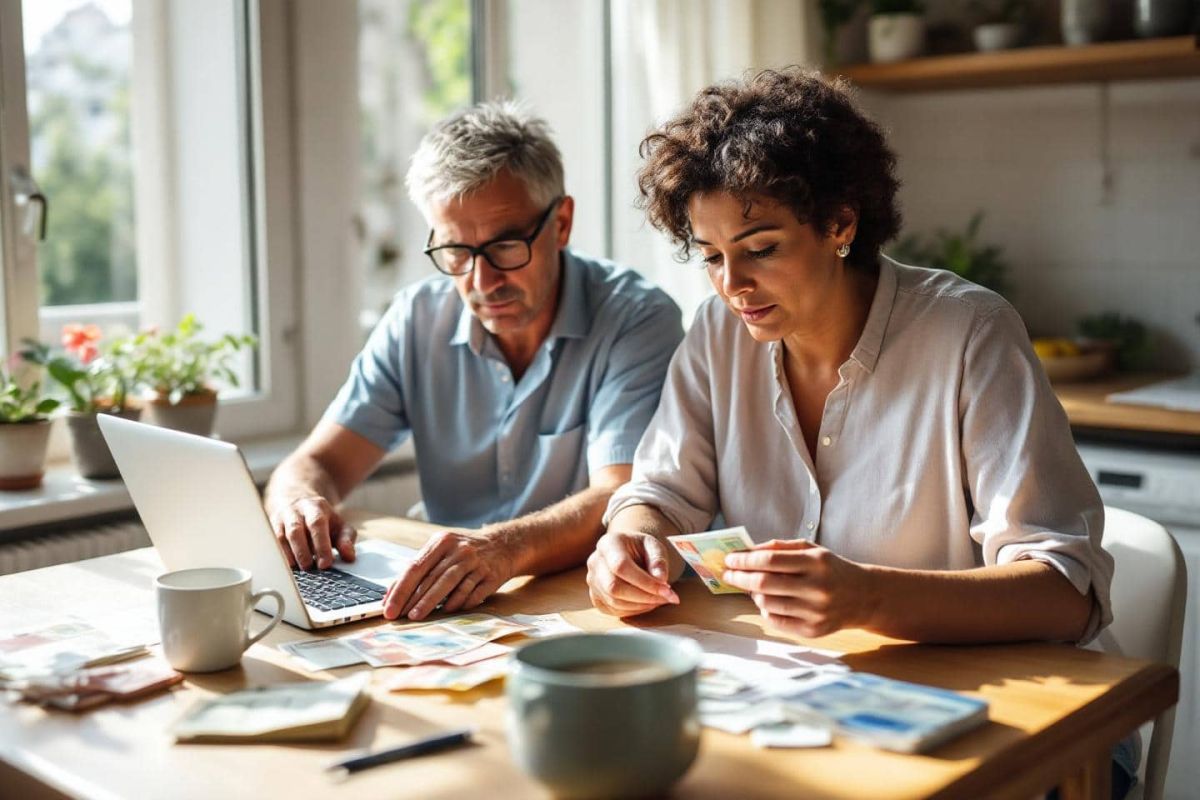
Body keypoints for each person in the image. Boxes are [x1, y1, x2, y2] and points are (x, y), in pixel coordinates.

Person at [587, 68, 1130, 794]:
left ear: (841, 224)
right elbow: (660, 490)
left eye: (761, 247)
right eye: (712, 256)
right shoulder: (720, 333)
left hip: (1013, 735)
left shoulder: (969, 333)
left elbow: (1066, 593)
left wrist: (869, 596)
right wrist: (633, 535)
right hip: (821, 719)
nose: (731, 285)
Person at [266, 101, 682, 622]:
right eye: (456, 252)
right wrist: (298, 505)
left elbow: (620, 495)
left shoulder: (636, 320)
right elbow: (314, 464)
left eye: (506, 247)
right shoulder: (416, 319)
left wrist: (499, 549)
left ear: (562, 224)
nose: (482, 283)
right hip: (449, 602)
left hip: (585, 603)